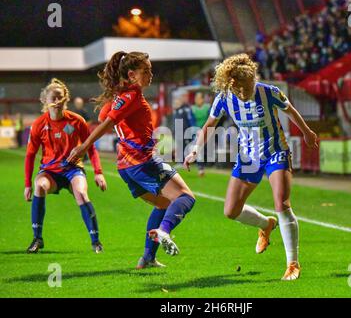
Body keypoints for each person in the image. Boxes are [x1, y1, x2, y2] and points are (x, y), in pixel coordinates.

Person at [184, 54, 318, 281]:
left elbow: (291, 111)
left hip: (276, 152)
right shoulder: (225, 97)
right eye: (240, 89)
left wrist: (307, 132)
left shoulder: (269, 92)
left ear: (254, 80)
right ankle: (266, 225)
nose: (244, 93)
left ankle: (292, 264)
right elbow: (209, 125)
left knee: (282, 203)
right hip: (247, 157)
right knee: (230, 211)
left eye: (247, 88)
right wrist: (195, 149)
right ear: (232, 84)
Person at [67, 51, 196, 269]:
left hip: (126, 167)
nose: (151, 75)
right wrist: (84, 146)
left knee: (163, 204)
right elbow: (106, 123)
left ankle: (147, 258)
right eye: (145, 71)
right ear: (131, 74)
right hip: (143, 162)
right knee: (185, 198)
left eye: (151, 70)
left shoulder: (122, 97)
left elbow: (104, 116)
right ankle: (164, 232)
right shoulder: (132, 96)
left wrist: (117, 97)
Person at [24, 78, 107, 253]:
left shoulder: (77, 121)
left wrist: (98, 172)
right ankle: (37, 238)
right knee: (40, 186)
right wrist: (27, 184)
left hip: (73, 170)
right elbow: (30, 155)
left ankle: (96, 241)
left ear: (66, 98)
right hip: (50, 172)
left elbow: (90, 148)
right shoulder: (39, 124)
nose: (56, 101)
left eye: (60, 97)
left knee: (82, 194)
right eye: (52, 98)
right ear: (44, 101)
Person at [191, 92, 211, 176]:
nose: (197, 100)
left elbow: (210, 120)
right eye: (196, 98)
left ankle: (202, 166)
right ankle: (200, 167)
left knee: (202, 149)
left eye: (198, 98)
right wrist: (197, 130)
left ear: (202, 99)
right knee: (198, 148)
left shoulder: (207, 107)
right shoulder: (193, 108)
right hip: (196, 131)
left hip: (207, 130)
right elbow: (191, 120)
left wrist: (204, 129)